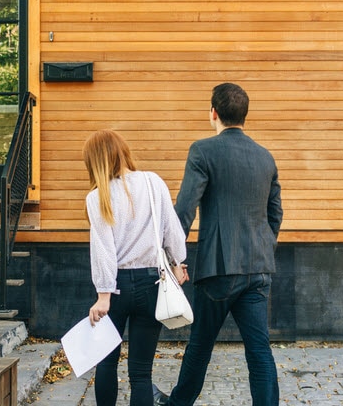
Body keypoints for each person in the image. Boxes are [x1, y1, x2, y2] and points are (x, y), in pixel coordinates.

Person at [155, 83, 283, 406]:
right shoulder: (266, 158)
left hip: (217, 270)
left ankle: (177, 404)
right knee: (259, 351)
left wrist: (170, 257)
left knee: (199, 349)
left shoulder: (202, 151)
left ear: (213, 113)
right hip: (258, 270)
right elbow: (275, 213)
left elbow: (183, 211)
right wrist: (262, 245)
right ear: (244, 116)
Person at [84, 129, 188, 406]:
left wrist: (103, 295)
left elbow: (103, 250)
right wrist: (178, 263)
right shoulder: (152, 182)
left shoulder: (96, 197)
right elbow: (172, 230)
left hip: (116, 287)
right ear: (123, 152)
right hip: (151, 283)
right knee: (141, 372)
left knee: (106, 363)